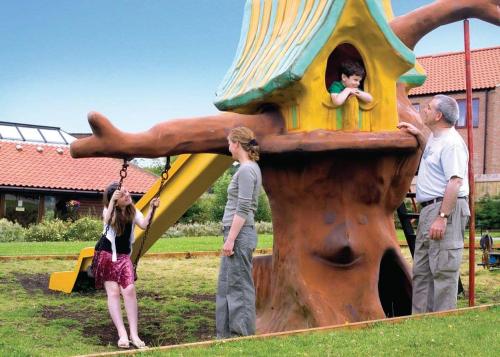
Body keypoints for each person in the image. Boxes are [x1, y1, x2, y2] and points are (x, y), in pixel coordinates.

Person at [398, 94, 470, 313]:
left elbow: (455, 181)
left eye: (428, 107)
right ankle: (420, 322)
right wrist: (418, 135)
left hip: (445, 208)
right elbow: (430, 153)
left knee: (442, 270)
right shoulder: (435, 139)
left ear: (438, 115)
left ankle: (442, 321)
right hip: (431, 209)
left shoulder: (452, 144)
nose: (424, 109)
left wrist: (442, 217)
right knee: (422, 270)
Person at [95, 182, 159, 349]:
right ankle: (122, 334)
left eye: (127, 192)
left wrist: (152, 208)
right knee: (114, 293)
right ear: (115, 201)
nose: (128, 195)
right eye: (122, 195)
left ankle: (134, 334)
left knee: (129, 290)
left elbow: (144, 224)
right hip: (107, 256)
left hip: (123, 257)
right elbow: (107, 220)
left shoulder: (132, 210)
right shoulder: (108, 211)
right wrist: (111, 204)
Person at [216, 127, 262, 338]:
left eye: (229, 143)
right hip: (236, 234)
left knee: (239, 286)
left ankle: (241, 335)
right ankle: (226, 334)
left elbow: (243, 208)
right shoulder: (248, 168)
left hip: (239, 235)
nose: (228, 147)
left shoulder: (246, 170)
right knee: (227, 283)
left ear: (236, 143)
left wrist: (231, 240)